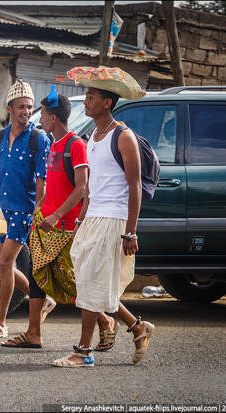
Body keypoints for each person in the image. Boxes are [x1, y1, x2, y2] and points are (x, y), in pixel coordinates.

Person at [52, 66, 155, 367]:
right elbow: (90, 188)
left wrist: (131, 232)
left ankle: (83, 353)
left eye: (91, 96)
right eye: (86, 95)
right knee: (88, 282)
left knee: (91, 285)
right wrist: (81, 220)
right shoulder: (93, 136)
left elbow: (134, 187)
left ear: (107, 102)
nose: (85, 101)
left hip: (113, 220)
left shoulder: (123, 137)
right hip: (93, 218)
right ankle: (137, 327)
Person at [1, 87, 116, 350]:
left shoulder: (76, 145)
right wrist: (40, 209)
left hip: (67, 227)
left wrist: (56, 215)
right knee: (38, 278)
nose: (38, 120)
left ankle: (112, 320)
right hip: (47, 225)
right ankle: (34, 333)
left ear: (53, 118)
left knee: (76, 282)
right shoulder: (53, 144)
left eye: (42, 116)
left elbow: (82, 188)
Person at [0, 79, 51, 339]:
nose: (26, 111)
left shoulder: (38, 138)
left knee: (4, 262)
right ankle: (43, 300)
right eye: (21, 106)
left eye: (30, 107)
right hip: (2, 210)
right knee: (3, 267)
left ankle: (0, 322)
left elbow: (41, 181)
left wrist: (39, 211)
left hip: (23, 211)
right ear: (9, 108)